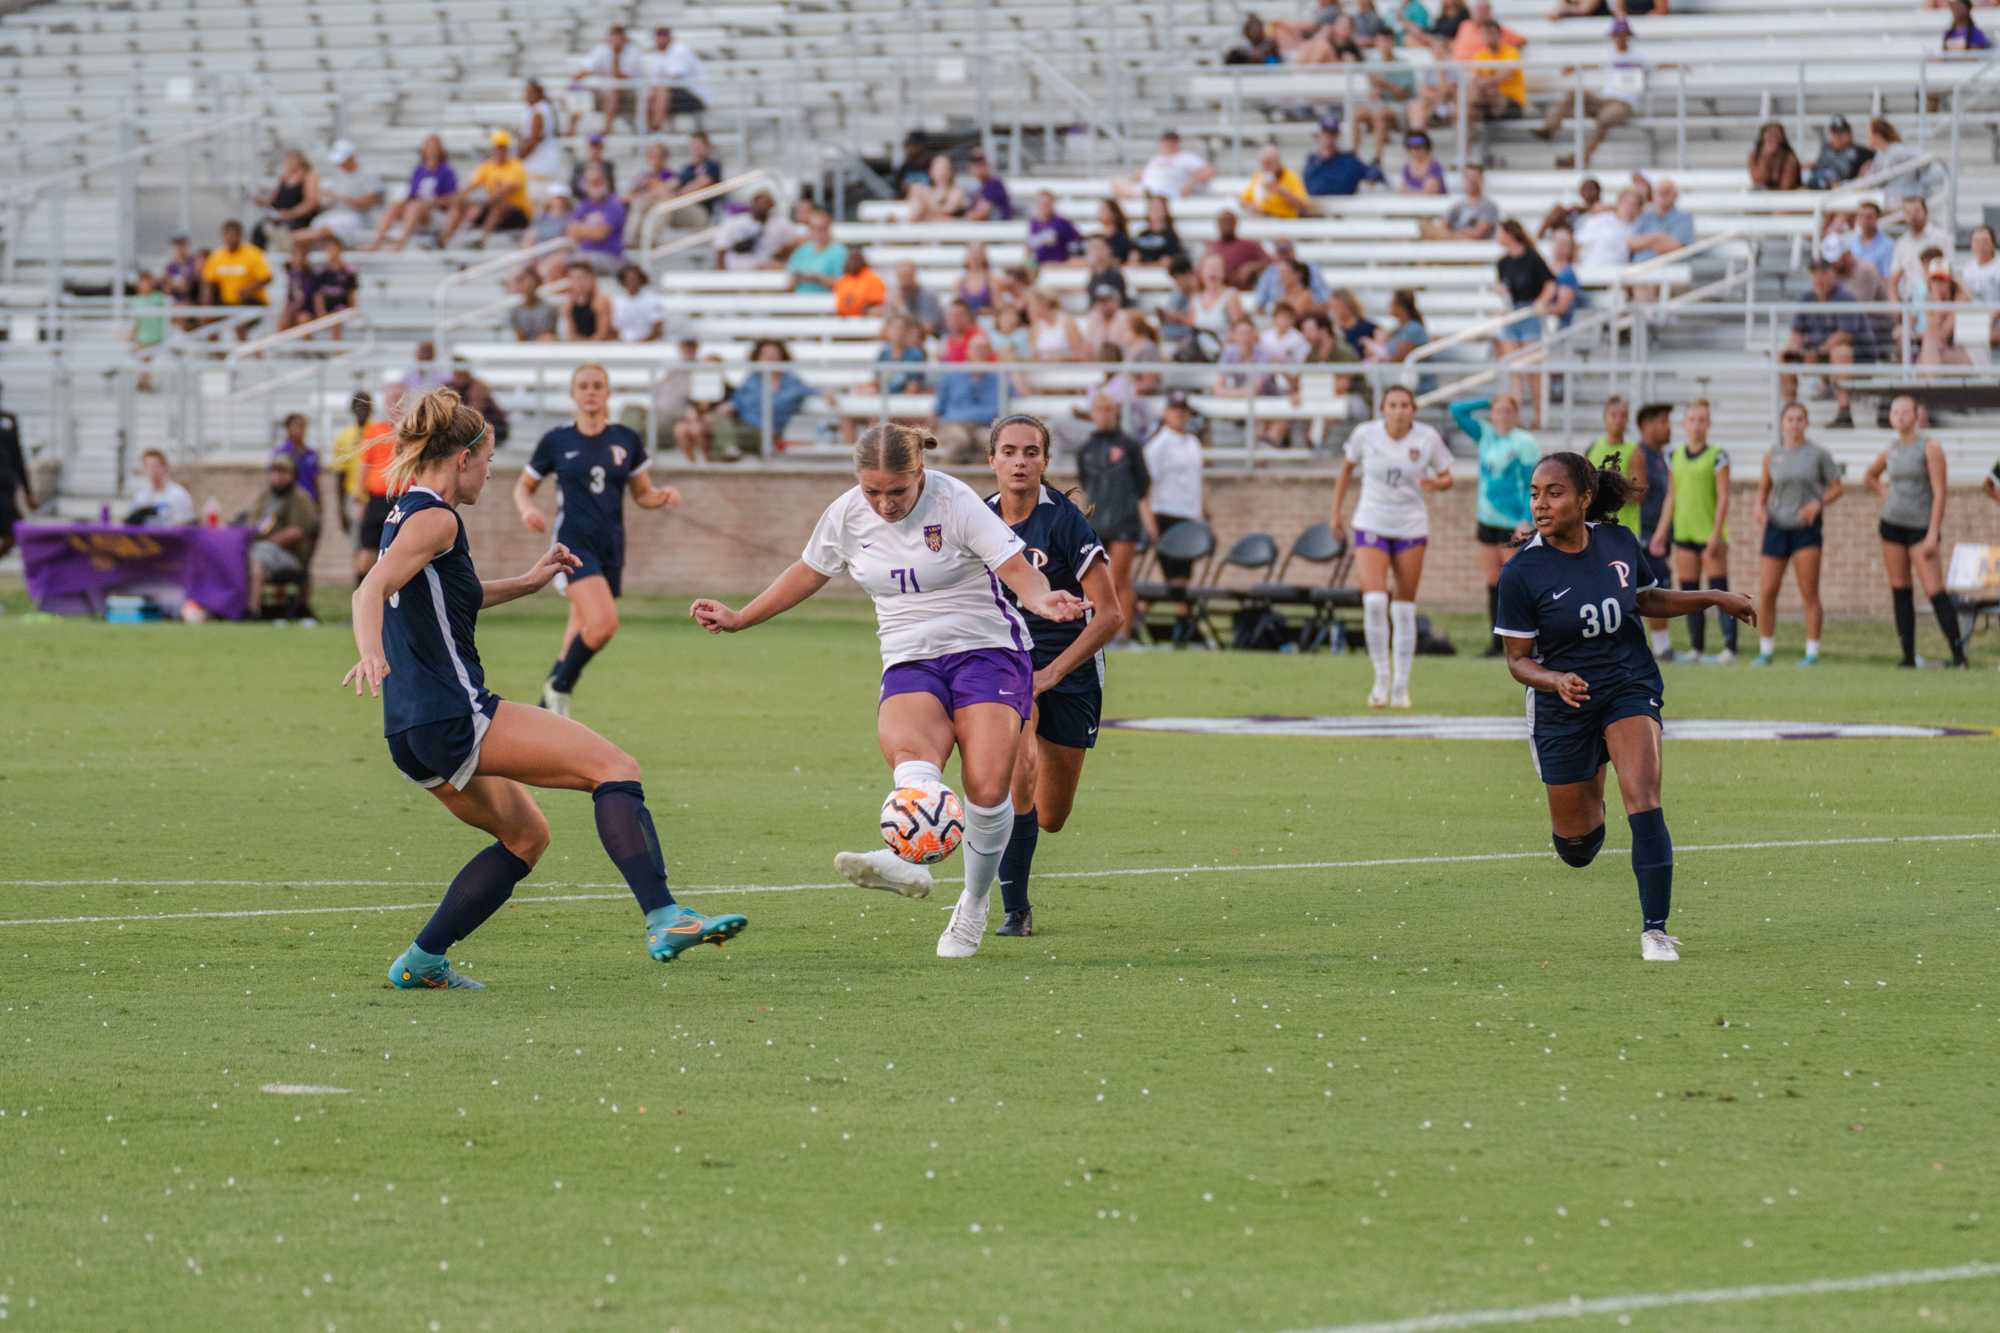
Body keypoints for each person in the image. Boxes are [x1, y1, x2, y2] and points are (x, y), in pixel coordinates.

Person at [344, 387, 742, 989]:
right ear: (462, 459)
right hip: (455, 713)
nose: (489, 473)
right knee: (615, 767)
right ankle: (666, 916)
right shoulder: (435, 517)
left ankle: (422, 962)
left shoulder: (407, 512)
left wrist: (529, 583)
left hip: (408, 728)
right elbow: (368, 590)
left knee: (526, 836)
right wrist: (370, 651)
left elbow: (454, 592)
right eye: (489, 462)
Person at [688, 425, 1089, 956]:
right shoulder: (848, 513)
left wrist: (1042, 601)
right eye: (872, 491)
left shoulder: (956, 502)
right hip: (909, 658)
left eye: (896, 491)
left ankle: (971, 905)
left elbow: (1017, 570)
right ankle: (910, 859)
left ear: (918, 474)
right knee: (912, 767)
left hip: (987, 651)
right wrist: (741, 618)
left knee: (989, 789)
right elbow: (808, 573)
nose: (883, 503)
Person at [1495, 451, 1755, 964]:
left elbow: (1647, 600)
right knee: (1578, 848)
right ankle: (1591, 778)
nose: (1541, 504)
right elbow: (1518, 662)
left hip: (1627, 683)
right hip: (1564, 703)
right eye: (1535, 494)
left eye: (1554, 493)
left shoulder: (1617, 542)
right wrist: (1553, 680)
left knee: (1644, 795)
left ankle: (1655, 931)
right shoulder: (1521, 573)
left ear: (1584, 498)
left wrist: (1713, 597)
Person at [984, 415, 1124, 937]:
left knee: (1050, 815)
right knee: (1016, 770)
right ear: (991, 460)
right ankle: (1014, 909)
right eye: (1010, 451)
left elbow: (1110, 616)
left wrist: (1052, 674)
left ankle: (1021, 824)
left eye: (1031, 452)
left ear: (1045, 461)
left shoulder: (1066, 523)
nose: (1020, 461)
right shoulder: (976, 519)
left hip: (1071, 667)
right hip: (1008, 663)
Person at [516, 365, 682, 717]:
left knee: (579, 628)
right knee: (604, 623)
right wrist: (527, 509)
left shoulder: (625, 438)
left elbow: (642, 494)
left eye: (597, 386)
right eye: (583, 386)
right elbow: (524, 486)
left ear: (608, 393)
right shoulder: (557, 440)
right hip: (572, 545)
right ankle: (560, 685)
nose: (591, 392)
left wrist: (661, 496)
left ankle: (546, 712)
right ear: (573, 394)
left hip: (610, 545)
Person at [1331, 386, 1453, 708]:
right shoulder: (1365, 435)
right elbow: (1345, 471)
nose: (1399, 411)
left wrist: (1436, 483)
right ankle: (1380, 678)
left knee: (1403, 607)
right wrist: (1335, 514)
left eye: (1405, 405)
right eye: (1392, 405)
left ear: (1413, 409)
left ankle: (1402, 684)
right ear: (1383, 408)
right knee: (1373, 600)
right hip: (1371, 520)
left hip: (1410, 524)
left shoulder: (1427, 438)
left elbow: (1446, 476)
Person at [1865, 394, 1969, 667]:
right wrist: (1884, 492)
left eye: (1905, 411)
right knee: (1900, 589)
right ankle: (1908, 656)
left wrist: (1934, 532)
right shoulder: (1892, 449)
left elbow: (1939, 491)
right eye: (1895, 411)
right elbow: (1870, 476)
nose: (1899, 415)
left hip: (1920, 528)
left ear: (1916, 415)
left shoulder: (1930, 447)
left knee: (1935, 590)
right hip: (1892, 525)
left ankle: (1959, 655)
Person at [1750, 402, 1844, 667]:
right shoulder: (1773, 454)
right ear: (1782, 423)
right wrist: (1758, 508)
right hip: (1776, 527)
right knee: (1767, 591)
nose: (1794, 423)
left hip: (1806, 529)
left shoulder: (1818, 454)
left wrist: (1818, 504)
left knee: (1809, 592)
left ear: (1806, 422)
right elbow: (1763, 489)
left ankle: (1812, 651)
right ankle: (1766, 650)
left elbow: (1837, 487)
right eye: (1790, 419)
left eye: (1799, 419)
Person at [1451, 394, 1539, 655]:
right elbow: (1456, 410)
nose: (1502, 416)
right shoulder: (1486, 435)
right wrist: (1485, 401)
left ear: (1515, 415)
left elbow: (1531, 484)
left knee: (1513, 582)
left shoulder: (1524, 442)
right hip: (1487, 520)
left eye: (1507, 411)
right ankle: (1496, 643)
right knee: (1493, 581)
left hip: (1512, 523)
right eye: (1498, 411)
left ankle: (1523, 640)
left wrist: (1525, 517)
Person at [1650, 399, 1737, 662]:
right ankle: (1697, 649)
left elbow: (1723, 497)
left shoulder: (1718, 456)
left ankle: (1729, 649)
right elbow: (1671, 497)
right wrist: (1661, 532)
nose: (1697, 425)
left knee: (1719, 592)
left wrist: (1716, 533)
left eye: (1702, 420)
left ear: (1708, 424)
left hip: (1709, 535)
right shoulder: (1674, 456)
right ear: (1685, 424)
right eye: (1692, 420)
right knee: (1689, 594)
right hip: (1684, 534)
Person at [1590, 400, 1675, 658]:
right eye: (1613, 414)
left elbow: (1638, 493)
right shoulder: (1593, 449)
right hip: (1596, 532)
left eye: (1622, 415)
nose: (1618, 419)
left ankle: (1658, 645)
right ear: (1605, 417)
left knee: (1633, 590)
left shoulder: (1633, 451)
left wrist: (1608, 492)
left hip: (1624, 533)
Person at [1076, 395, 1154, 649]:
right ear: (1093, 413)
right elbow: (1086, 483)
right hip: (1097, 522)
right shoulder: (1086, 448)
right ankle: (1098, 633)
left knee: (1119, 578)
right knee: (1094, 580)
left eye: (1109, 409)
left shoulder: (1130, 445)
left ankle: (1123, 635)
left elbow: (1142, 484)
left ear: (1116, 412)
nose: (1104, 414)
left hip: (1124, 521)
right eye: (1099, 409)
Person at [1781, 256, 1877, 428]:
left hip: (1858, 358)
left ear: (1833, 274)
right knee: (1784, 354)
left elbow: (1844, 335)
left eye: (1823, 272)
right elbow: (1796, 333)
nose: (1819, 278)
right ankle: (1789, 411)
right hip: (1821, 354)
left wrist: (1816, 352)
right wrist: (1797, 349)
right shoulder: (1807, 298)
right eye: (1815, 273)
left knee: (1841, 352)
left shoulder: (1845, 298)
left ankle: (1844, 412)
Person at [1536, 19, 1643, 169]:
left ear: (1628, 35)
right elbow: (1597, 65)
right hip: (1605, 100)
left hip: (1623, 103)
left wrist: (1678, 65)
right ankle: (1550, 127)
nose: (1619, 38)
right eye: (1616, 34)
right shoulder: (1608, 54)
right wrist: (1574, 67)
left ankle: (1580, 158)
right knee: (1574, 93)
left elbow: (1656, 66)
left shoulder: (1638, 56)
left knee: (1604, 119)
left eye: (1621, 34)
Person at [1142, 395, 1206, 597]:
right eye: (1175, 410)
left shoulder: (1193, 442)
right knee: (1176, 580)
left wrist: (1206, 512)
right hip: (1167, 514)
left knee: (1184, 579)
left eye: (1183, 410)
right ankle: (1177, 625)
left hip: (1189, 515)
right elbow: (1143, 487)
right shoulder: (1157, 446)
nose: (1179, 414)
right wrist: (1149, 521)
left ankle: (1179, 625)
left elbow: (1197, 480)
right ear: (1166, 413)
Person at [331, 392, 396, 585]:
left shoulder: (379, 431)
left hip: (378, 497)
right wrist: (343, 506)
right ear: (351, 410)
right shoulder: (344, 437)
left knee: (379, 548)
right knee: (360, 547)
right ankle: (361, 591)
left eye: (365, 406)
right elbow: (340, 474)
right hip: (358, 498)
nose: (361, 410)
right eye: (357, 406)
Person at [1494, 219, 1557, 416]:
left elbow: (1549, 284)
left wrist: (1540, 302)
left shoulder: (1532, 258)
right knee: (1514, 371)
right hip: (1513, 313)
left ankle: (1539, 414)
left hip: (1529, 312)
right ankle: (1517, 415)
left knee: (1532, 370)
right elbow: (1505, 288)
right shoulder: (1503, 262)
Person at [712, 338, 817, 455]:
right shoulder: (751, 381)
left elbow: (813, 392)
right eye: (765, 355)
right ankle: (728, 450)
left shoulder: (792, 382)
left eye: (773, 354)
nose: (769, 358)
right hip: (744, 428)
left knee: (715, 441)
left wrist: (827, 395)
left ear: (782, 357)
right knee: (714, 420)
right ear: (758, 358)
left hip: (768, 433)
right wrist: (727, 407)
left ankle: (728, 450)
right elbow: (736, 402)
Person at [247, 453, 320, 616]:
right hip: (264, 549)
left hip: (291, 556)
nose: (278, 477)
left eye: (283, 472)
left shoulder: (300, 498)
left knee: (256, 556)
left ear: (292, 474)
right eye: (274, 472)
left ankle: (253, 610)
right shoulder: (266, 497)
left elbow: (297, 532)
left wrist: (269, 542)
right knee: (243, 555)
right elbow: (253, 524)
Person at [440, 133, 532, 248]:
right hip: (495, 210)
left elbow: (504, 191)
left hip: (518, 214)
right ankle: (444, 239)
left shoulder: (516, 166)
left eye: (502, 147)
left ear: (507, 149)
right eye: (497, 147)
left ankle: (481, 240)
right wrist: (459, 199)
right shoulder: (487, 166)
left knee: (498, 204)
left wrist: (479, 204)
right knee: (461, 204)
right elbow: (470, 187)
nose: (499, 151)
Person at [370, 135, 457, 250]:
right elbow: (412, 194)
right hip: (417, 208)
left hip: (434, 212)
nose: (431, 150)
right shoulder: (419, 170)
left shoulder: (446, 171)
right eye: (428, 146)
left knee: (415, 206)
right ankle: (376, 242)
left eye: (434, 147)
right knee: (394, 206)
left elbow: (453, 198)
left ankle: (400, 243)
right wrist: (402, 203)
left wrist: (431, 202)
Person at [293, 140, 380, 250]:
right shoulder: (339, 175)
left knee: (327, 230)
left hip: (357, 218)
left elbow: (369, 203)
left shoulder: (367, 175)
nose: (340, 164)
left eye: (342, 160)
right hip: (336, 214)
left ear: (351, 157)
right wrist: (327, 199)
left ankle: (294, 237)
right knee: (320, 226)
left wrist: (340, 197)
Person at [932, 333, 1004, 460]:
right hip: (955, 424)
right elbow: (938, 408)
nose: (980, 353)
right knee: (959, 440)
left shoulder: (998, 378)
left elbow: (1020, 395)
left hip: (984, 426)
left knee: (992, 444)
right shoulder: (952, 374)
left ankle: (976, 476)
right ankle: (943, 473)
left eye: (983, 349)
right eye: (976, 348)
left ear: (989, 353)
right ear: (968, 351)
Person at [573, 23, 637, 136]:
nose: (616, 39)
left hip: (627, 92)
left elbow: (623, 77)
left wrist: (615, 55)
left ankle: (607, 128)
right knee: (578, 91)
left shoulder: (633, 51)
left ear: (624, 38)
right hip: (605, 92)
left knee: (613, 89)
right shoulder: (601, 49)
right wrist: (574, 83)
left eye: (619, 36)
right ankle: (570, 131)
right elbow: (587, 69)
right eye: (614, 35)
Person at [643, 23, 710, 131]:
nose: (660, 38)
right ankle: (649, 131)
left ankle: (655, 129)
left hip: (696, 96)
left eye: (664, 35)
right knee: (649, 96)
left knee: (661, 91)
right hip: (679, 96)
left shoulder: (680, 50)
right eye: (658, 35)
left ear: (670, 37)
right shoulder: (658, 54)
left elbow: (674, 78)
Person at [713, 190, 799, 272]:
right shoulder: (735, 222)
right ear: (752, 203)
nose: (761, 206)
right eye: (759, 203)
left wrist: (781, 253)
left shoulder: (781, 224)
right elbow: (721, 247)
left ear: (772, 205)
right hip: (738, 269)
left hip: (768, 270)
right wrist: (721, 273)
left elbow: (795, 243)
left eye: (765, 203)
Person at [1891, 195, 1955, 302]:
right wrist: (1895, 306)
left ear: (1926, 212)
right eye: (1908, 212)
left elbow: (1949, 272)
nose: (1913, 216)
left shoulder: (1942, 238)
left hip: (1936, 301)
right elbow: (1894, 279)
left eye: (1917, 211)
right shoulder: (1901, 243)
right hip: (1910, 302)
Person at [200, 219, 271, 314]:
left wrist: (248, 289)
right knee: (206, 316)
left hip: (251, 301)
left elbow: (266, 277)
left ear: (240, 236)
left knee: (240, 321)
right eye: (227, 235)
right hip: (227, 302)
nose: (230, 239)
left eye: (233, 236)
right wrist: (207, 299)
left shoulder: (252, 253)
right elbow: (208, 280)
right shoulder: (217, 256)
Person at [1302, 117, 1383, 198]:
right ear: (1319, 134)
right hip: (1318, 208)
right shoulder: (1312, 162)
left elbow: (1374, 174)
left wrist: (1374, 166)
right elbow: (1312, 190)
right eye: (1326, 132)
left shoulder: (1349, 162)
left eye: (1332, 133)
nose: (1329, 136)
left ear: (1337, 135)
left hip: (1344, 208)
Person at [1121, 129, 1214, 199]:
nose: (1168, 144)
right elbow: (1143, 174)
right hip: (1147, 190)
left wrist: (1190, 184)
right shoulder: (1156, 159)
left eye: (1171, 141)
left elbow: (1208, 171)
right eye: (1166, 141)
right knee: (1115, 185)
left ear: (1177, 143)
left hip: (1168, 193)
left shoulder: (1185, 157)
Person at [568, 167, 628, 273]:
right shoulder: (585, 205)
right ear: (585, 185)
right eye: (591, 181)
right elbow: (571, 231)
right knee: (557, 264)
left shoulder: (613, 204)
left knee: (578, 263)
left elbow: (601, 233)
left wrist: (581, 230)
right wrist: (591, 231)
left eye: (598, 180)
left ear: (605, 181)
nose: (595, 184)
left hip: (610, 256)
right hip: (586, 253)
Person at [1417, 163, 1497, 240]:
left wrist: (1452, 233)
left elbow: (1478, 234)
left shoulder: (1488, 206)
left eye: (1474, 177)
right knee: (1424, 225)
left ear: (1481, 179)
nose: (1470, 181)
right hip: (1454, 239)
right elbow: (1443, 225)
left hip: (1470, 244)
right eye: (1467, 177)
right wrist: (1453, 234)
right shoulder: (1458, 205)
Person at [1239, 144, 1313, 219]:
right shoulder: (1259, 175)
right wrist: (1251, 207)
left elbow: (1304, 207)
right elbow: (1244, 200)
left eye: (1269, 163)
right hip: (1263, 220)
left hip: (1286, 222)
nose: (1265, 167)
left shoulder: (1291, 177)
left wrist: (1281, 191)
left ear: (1278, 162)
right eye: (1263, 163)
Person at [125, 448, 196, 526]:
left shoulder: (178, 494)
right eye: (148, 466)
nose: (152, 470)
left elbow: (185, 524)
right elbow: (131, 523)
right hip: (146, 537)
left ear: (165, 467)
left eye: (155, 466)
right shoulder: (141, 496)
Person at [786, 207, 848, 294]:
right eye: (813, 228)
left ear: (829, 228)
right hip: (800, 302)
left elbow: (845, 284)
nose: (817, 233)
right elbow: (789, 284)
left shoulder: (839, 252)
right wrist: (797, 278)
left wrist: (819, 279)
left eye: (822, 229)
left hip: (827, 303)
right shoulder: (802, 250)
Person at [1203, 209, 1269, 289]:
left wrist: (1251, 267)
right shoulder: (1212, 247)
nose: (1227, 225)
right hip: (1218, 293)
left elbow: (1269, 262)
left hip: (1243, 292)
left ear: (1236, 223)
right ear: (1218, 225)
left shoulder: (1248, 245)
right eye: (1223, 221)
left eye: (1230, 221)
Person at [517, 80, 564, 192]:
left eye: (529, 92)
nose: (526, 95)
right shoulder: (546, 108)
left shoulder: (538, 111)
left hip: (539, 163)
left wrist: (519, 158)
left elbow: (534, 140)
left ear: (537, 93)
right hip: (548, 160)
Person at [1806, 115, 1873, 190]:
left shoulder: (1861, 153)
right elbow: (1817, 168)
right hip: (1819, 190)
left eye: (1841, 132)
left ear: (1849, 134)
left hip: (1847, 193)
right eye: (1835, 133)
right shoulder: (1826, 150)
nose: (1838, 136)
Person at [610, 262, 667, 342]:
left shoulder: (652, 299)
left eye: (634, 278)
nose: (631, 282)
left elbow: (657, 329)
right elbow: (615, 329)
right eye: (628, 279)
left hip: (649, 346)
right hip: (624, 346)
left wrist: (642, 343)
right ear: (622, 282)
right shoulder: (618, 302)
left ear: (640, 279)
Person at [560, 262, 614, 342]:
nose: (578, 282)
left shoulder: (601, 302)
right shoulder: (569, 305)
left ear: (591, 279)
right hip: (583, 347)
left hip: (603, 347)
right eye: (573, 278)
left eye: (581, 277)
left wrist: (587, 347)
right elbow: (571, 334)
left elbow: (603, 334)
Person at [1025, 192, 1083, 267]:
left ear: (1052, 204)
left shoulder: (1062, 223)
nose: (1043, 207)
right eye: (1041, 204)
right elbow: (1029, 246)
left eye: (1046, 204)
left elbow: (1077, 243)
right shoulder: (1034, 223)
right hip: (1040, 265)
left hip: (1059, 265)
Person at [887, 260, 944, 335]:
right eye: (901, 276)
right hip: (901, 341)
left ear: (914, 276)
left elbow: (927, 329)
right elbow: (885, 331)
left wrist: (902, 309)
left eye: (907, 276)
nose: (904, 281)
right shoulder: (894, 295)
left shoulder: (928, 295)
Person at [907, 152, 969, 222]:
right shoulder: (924, 191)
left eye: (944, 168)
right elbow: (914, 215)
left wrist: (926, 200)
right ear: (930, 171)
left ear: (950, 171)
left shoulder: (956, 192)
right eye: (938, 168)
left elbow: (948, 211)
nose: (941, 172)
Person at [1747, 121, 1803, 191]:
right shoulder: (1755, 156)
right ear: (1763, 138)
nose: (1773, 138)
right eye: (1770, 135)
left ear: (1782, 138)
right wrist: (1765, 157)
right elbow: (1759, 180)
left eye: (1776, 135)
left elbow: (1786, 186)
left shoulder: (1789, 158)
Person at [508, 267, 558, 342]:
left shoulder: (549, 308)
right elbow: (519, 337)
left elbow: (548, 335)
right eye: (523, 282)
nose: (527, 286)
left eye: (530, 282)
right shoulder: (514, 311)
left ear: (537, 283)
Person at [964, 150, 1013, 222]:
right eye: (975, 164)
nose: (978, 167)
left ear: (988, 165)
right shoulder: (979, 187)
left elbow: (981, 214)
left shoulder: (994, 184)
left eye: (981, 163)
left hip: (1000, 230)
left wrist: (968, 216)